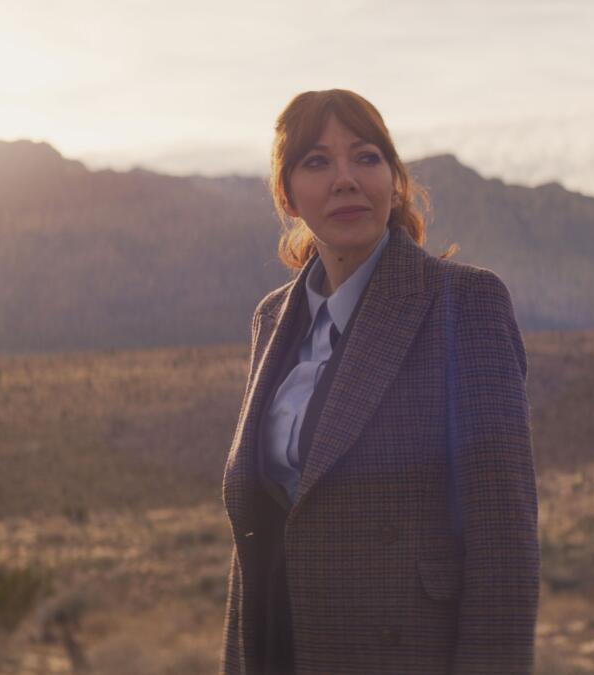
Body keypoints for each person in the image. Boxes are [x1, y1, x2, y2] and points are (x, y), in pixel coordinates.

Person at [220, 89, 538, 675]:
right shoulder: (272, 320)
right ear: (287, 195)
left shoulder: (463, 303)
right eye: (316, 162)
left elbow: (503, 549)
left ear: (394, 182)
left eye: (366, 157)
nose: (345, 179)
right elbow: (258, 537)